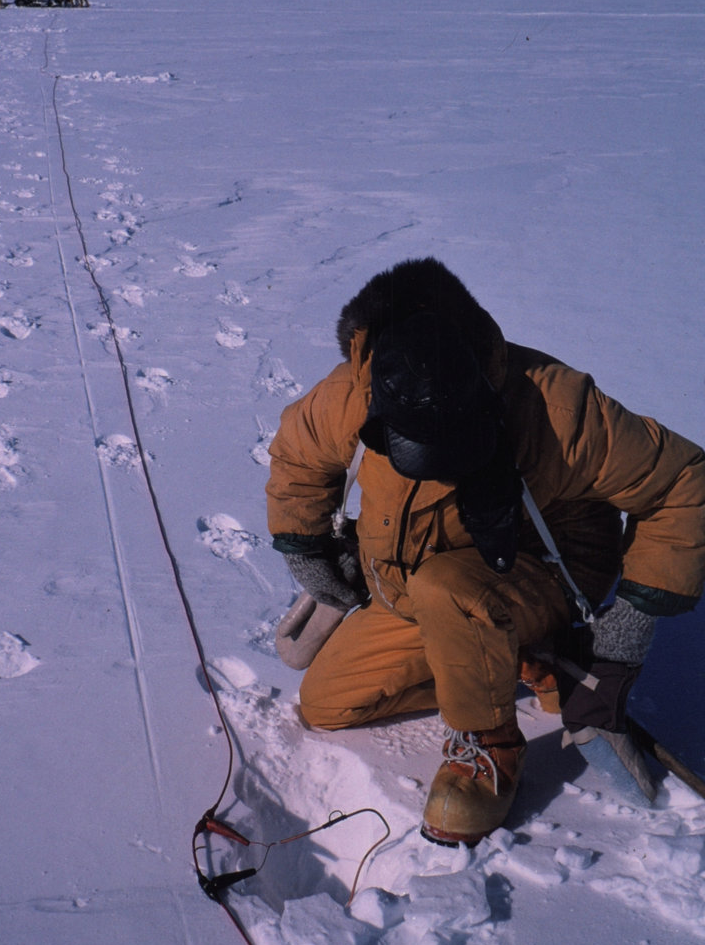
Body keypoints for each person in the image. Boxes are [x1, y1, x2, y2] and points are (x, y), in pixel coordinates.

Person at [266, 258, 705, 845]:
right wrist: (309, 550)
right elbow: (299, 458)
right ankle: (518, 658)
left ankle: (489, 743)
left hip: (540, 567)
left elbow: (685, 482)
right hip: (414, 591)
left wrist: (627, 629)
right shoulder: (352, 389)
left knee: (446, 588)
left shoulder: (556, 406)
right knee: (327, 704)